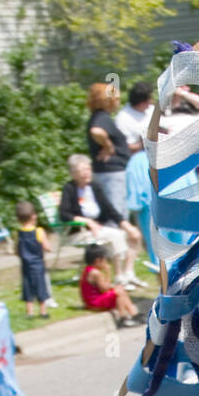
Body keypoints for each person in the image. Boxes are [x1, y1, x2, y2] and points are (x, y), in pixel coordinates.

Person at [59, 154, 144, 288]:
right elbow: (64, 214)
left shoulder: (95, 186)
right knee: (116, 235)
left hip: (98, 229)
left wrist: (127, 226)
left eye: (88, 169)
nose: (87, 173)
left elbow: (109, 209)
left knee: (132, 234)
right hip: (79, 231)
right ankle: (119, 277)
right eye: (82, 170)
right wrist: (87, 221)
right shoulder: (69, 188)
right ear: (73, 173)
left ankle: (128, 273)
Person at [86, 82, 131, 218]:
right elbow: (96, 131)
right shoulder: (102, 117)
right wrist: (108, 146)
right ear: (107, 101)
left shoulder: (98, 117)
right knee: (116, 212)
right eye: (116, 99)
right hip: (112, 174)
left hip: (108, 173)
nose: (118, 102)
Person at [79, 242, 140, 326]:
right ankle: (123, 317)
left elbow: (105, 286)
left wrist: (114, 287)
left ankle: (134, 314)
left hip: (94, 300)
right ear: (98, 260)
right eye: (105, 260)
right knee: (119, 292)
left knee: (119, 289)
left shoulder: (89, 270)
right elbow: (104, 289)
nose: (106, 262)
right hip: (93, 302)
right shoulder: (95, 273)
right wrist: (108, 272)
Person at [15, 201, 51, 318]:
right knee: (41, 285)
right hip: (38, 264)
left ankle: (30, 312)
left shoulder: (19, 233)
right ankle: (43, 311)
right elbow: (46, 247)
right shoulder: (39, 231)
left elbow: (16, 250)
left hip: (25, 265)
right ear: (33, 216)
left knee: (27, 286)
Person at [115, 81, 155, 153]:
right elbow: (125, 146)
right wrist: (146, 144)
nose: (151, 101)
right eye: (149, 99)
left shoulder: (152, 109)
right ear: (141, 102)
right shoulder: (123, 119)